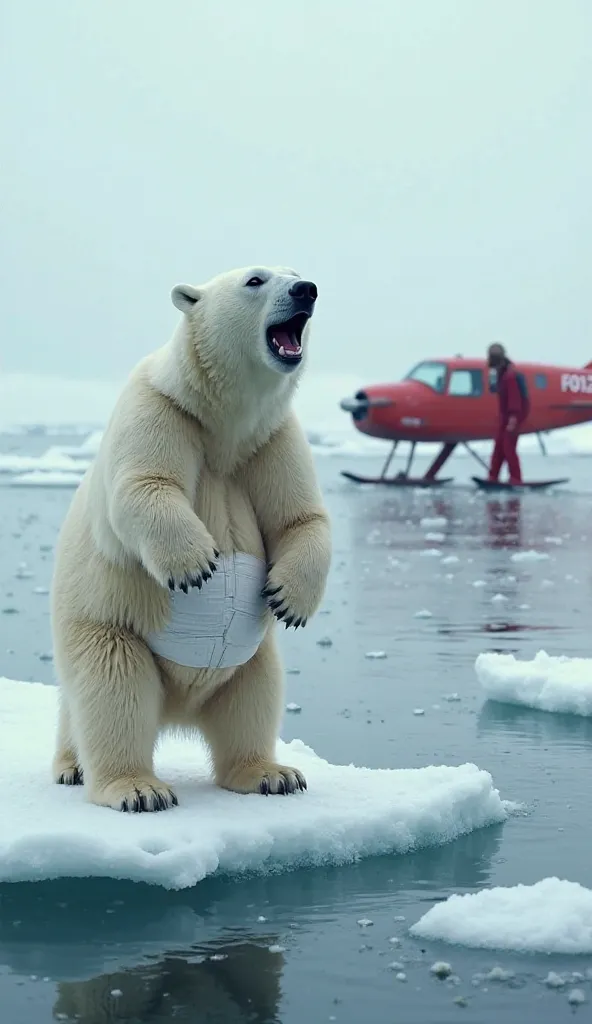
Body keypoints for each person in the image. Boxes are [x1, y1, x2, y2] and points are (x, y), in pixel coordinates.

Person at [486, 342, 529, 485]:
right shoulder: (500, 373)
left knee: (508, 445)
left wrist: (513, 419)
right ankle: (493, 476)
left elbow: (514, 399)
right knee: (499, 444)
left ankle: (516, 478)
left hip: (515, 415)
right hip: (506, 415)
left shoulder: (510, 376)